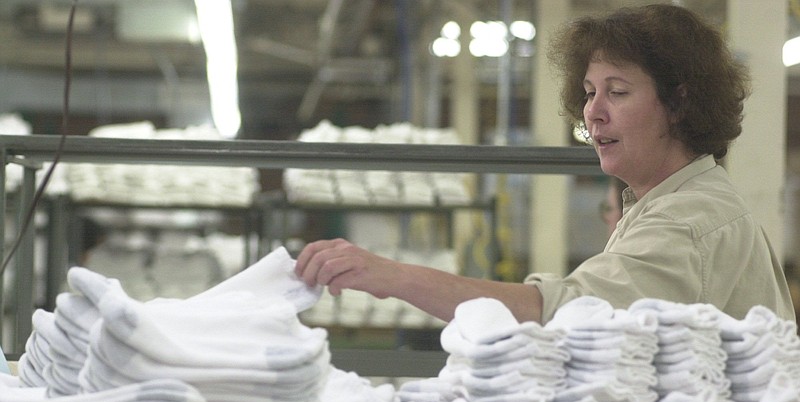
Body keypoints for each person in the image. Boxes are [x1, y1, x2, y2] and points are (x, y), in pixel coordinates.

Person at [295, 4, 795, 325]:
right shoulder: (661, 204)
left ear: (680, 103)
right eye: (589, 92)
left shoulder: (689, 220)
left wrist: (393, 277)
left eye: (617, 92)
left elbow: (561, 314)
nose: (593, 111)